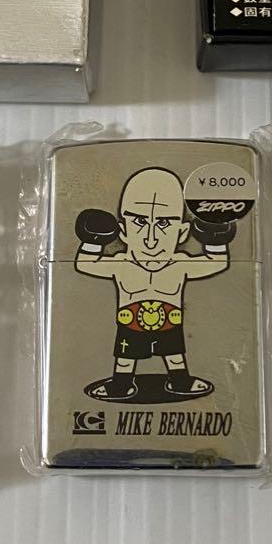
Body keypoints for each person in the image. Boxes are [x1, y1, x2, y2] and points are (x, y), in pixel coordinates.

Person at [74, 167, 234, 400]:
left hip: (169, 322)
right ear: (122, 230)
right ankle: (121, 384)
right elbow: (85, 265)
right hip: (131, 323)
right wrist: (93, 240)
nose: (151, 239)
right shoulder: (121, 264)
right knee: (125, 358)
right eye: (139, 221)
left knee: (174, 355)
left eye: (164, 223)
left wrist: (216, 239)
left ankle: (180, 380)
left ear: (182, 233)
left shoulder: (180, 264)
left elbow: (216, 263)